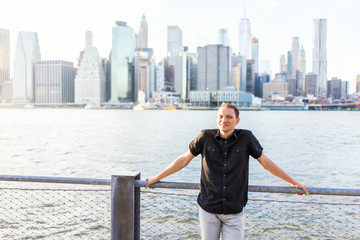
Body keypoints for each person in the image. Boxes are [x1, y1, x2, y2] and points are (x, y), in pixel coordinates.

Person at [145, 103, 308, 240]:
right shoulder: (204, 137)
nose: (224, 120)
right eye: (221, 116)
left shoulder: (246, 138)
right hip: (208, 208)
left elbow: (266, 163)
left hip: (234, 210)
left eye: (229, 117)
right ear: (217, 119)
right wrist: (157, 177)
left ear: (237, 120)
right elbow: (183, 160)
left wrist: (294, 183)